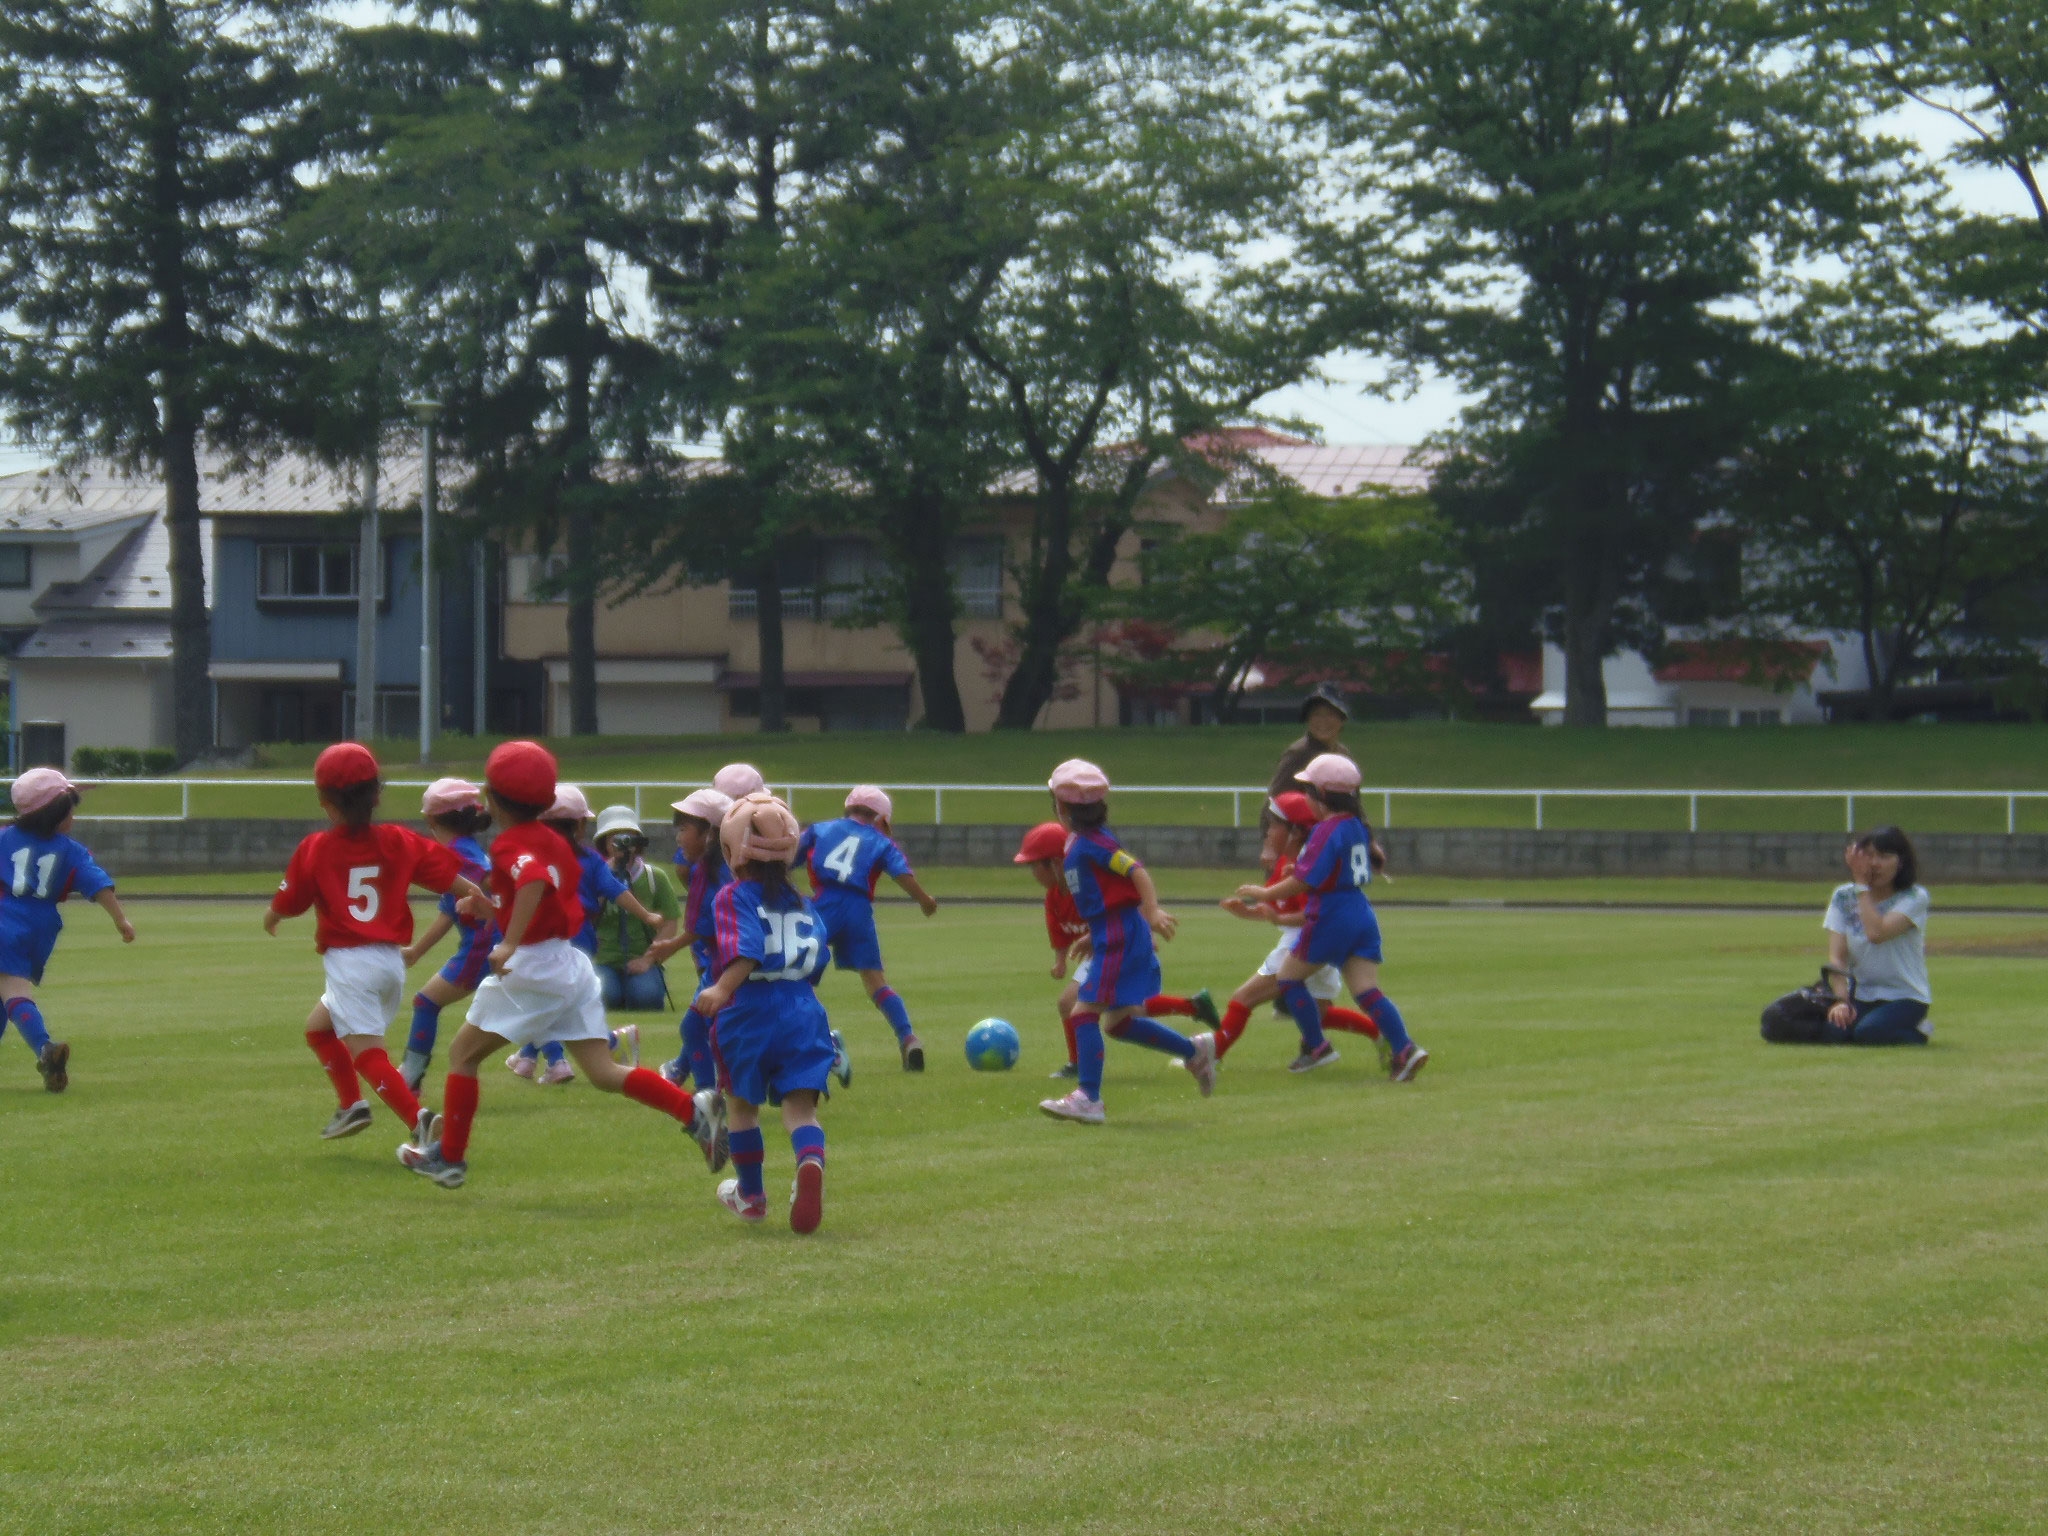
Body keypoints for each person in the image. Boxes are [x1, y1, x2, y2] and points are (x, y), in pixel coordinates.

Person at [398, 739, 724, 1190]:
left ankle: (449, 1157)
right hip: (568, 963)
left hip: (533, 964)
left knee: (461, 1055)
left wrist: (508, 942)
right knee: (604, 1072)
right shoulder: (557, 844)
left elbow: (531, 881)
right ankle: (693, 1111)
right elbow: (543, 891)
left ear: (492, 798)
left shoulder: (513, 843)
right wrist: (492, 910)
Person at [264, 743, 482, 1147]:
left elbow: (291, 900)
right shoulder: (398, 840)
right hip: (389, 963)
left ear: (326, 804)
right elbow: (447, 876)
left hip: (350, 962)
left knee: (367, 1053)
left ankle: (421, 1122)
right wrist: (478, 895)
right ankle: (352, 1106)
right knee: (319, 1028)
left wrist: (273, 915)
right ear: (377, 795)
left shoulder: (316, 847)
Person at [1037, 758, 1217, 1124]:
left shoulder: (1091, 845)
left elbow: (1135, 870)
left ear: (1061, 806)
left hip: (1121, 935)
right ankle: (1193, 1051)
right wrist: (1093, 932)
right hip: (1112, 931)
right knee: (1118, 1022)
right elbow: (1111, 889)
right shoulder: (1083, 843)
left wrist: (1150, 911)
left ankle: (1089, 1098)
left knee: (1082, 1013)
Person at [1234, 753, 1428, 1082]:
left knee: (1288, 979)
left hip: (1331, 914)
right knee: (1367, 991)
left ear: (1322, 795)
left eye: (1309, 790)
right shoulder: (1357, 826)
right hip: (1361, 912)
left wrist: (1265, 893)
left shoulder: (1326, 829)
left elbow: (1305, 881)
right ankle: (1405, 1048)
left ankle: (1316, 1047)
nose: (1306, 798)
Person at [692, 792, 836, 1232]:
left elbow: (748, 949)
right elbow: (820, 955)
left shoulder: (731, 896)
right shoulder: (801, 901)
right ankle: (809, 1160)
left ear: (733, 847)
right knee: (800, 1110)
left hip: (749, 1009)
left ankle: (752, 1196)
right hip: (803, 1006)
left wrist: (720, 987)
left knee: (742, 1107)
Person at [1216, 791, 1384, 1070]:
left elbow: (1308, 916)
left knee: (1244, 998)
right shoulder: (1288, 862)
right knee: (1319, 1014)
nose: (1268, 832)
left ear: (1295, 832)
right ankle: (1380, 1035)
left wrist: (1270, 913)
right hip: (1313, 938)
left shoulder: (1306, 867)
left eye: (1274, 825)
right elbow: (1285, 911)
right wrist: (1252, 913)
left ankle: (1209, 1053)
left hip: (1307, 941)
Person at [509, 784, 661, 1084]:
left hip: (548, 940)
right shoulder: (591, 860)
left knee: (544, 1001)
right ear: (580, 826)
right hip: (582, 940)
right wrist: (646, 914)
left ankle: (554, 1061)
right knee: (561, 1003)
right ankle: (533, 1056)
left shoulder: (531, 858)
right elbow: (617, 890)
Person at [0, 766, 135, 1092]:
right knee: (4, 991)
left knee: (13, 992)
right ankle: (45, 1051)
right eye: (71, 807)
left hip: (4, 918)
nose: (73, 815)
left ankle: (45, 1048)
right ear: (57, 813)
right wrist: (121, 920)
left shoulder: (4, 838)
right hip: (41, 927)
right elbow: (100, 886)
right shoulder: (72, 851)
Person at [795, 786, 938, 1071]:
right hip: (859, 910)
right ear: (883, 819)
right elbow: (902, 874)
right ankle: (908, 1038)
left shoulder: (820, 829)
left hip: (823, 904)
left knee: (801, 979)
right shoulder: (881, 841)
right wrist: (925, 901)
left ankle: (818, 1042)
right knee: (876, 982)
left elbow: (787, 857)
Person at [399, 777, 497, 1091]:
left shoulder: (455, 857)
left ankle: (410, 1077)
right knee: (539, 1009)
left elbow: (474, 902)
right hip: (496, 943)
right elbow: (448, 912)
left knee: (426, 1002)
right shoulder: (469, 851)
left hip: (481, 947)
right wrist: (416, 951)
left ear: (430, 819)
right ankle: (609, 1045)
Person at [1821, 827, 1934, 1045]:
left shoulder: (1914, 897)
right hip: (1862, 993)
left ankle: (1920, 1031)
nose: (1874, 864)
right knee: (1834, 1033)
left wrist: (1862, 887)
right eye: (1869, 855)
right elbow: (1838, 957)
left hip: (1904, 996)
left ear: (1900, 862)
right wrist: (1841, 1001)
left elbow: (1877, 933)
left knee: (1870, 1033)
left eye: (1884, 856)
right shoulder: (1843, 896)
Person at [656, 787, 733, 1091]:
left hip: (726, 964)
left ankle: (707, 1095)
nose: (678, 837)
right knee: (700, 1027)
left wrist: (670, 946)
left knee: (698, 1027)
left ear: (710, 834)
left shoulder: (705, 871)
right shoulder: (732, 865)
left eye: (685, 829)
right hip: (736, 961)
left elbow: (702, 926)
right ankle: (707, 1092)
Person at [589, 803, 681, 1012]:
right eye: (615, 839)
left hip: (642, 955)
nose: (623, 845)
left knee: (646, 998)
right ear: (604, 843)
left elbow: (670, 924)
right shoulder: (594, 876)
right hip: (603, 958)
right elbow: (584, 920)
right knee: (605, 998)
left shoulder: (654, 877)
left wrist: (648, 959)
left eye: (628, 838)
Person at [1262, 684, 1354, 871]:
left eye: (1330, 714)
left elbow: (1353, 804)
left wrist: (1369, 840)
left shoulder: (1343, 755)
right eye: (1316, 715)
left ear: (1342, 719)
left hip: (1331, 846)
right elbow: (1274, 803)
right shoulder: (1299, 753)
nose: (1323, 721)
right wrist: (1272, 846)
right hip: (1297, 848)